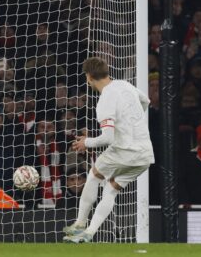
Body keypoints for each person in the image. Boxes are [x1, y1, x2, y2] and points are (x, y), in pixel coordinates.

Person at [63, 57, 154, 243]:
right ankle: (90, 232)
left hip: (124, 150)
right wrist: (132, 121)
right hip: (145, 154)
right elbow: (146, 101)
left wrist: (85, 142)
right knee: (111, 190)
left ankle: (80, 224)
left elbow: (108, 138)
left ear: (89, 77)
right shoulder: (125, 84)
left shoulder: (104, 101)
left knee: (94, 175)